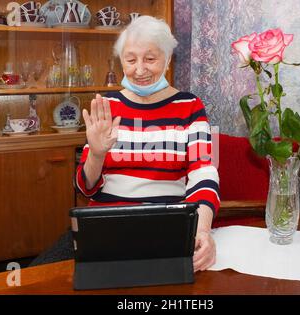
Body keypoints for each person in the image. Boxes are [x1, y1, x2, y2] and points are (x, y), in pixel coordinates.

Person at [32, 16, 220, 272]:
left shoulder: (189, 106)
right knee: (41, 278)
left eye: (150, 59)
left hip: (167, 224)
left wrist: (203, 232)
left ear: (167, 59)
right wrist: (96, 154)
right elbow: (85, 188)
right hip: (105, 225)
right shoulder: (107, 106)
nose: (139, 69)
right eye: (130, 60)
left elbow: (204, 175)